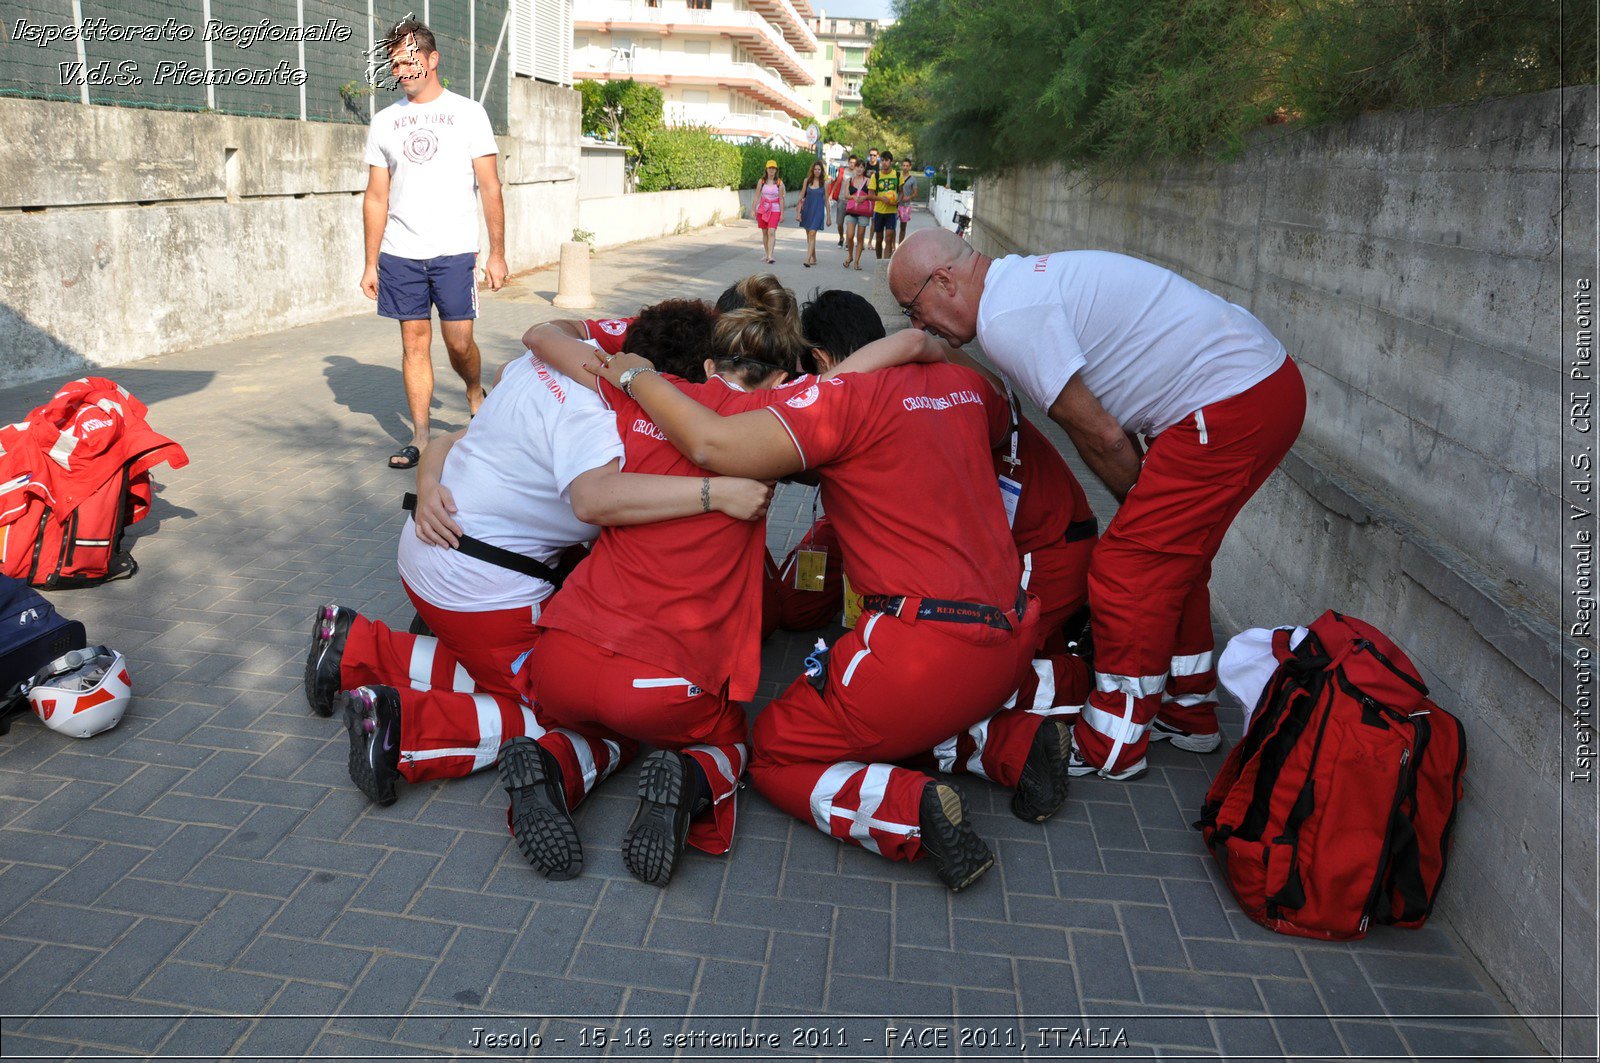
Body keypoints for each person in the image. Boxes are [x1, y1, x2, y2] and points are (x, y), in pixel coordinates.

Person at [588, 332, 1078, 893]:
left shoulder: (843, 400)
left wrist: (633, 376)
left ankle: (908, 813)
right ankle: (1016, 745)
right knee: (895, 723)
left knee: (775, 749)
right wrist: (922, 352)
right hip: (1010, 632)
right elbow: (972, 397)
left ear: (822, 362)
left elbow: (713, 445)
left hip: (921, 646)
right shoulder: (965, 385)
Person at [302, 325, 773, 847]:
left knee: (526, 670)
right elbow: (593, 502)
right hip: (483, 591)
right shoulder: (605, 423)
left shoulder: (545, 369)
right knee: (566, 709)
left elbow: (444, 440)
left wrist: (427, 483)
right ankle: (404, 729)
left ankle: (352, 644)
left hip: (427, 551)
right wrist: (718, 492)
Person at [888, 229, 1307, 781]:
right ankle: (1188, 709)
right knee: (1171, 560)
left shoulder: (1006, 319)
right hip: (1255, 386)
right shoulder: (1015, 286)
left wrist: (1134, 508)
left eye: (913, 310)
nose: (919, 326)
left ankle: (1113, 740)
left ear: (943, 281)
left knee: (1126, 570)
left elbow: (1103, 437)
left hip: (1231, 401)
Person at [510, 275, 817, 886]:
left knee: (598, 728)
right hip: (667, 677)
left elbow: (547, 340)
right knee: (728, 741)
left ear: (708, 362)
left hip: (565, 651)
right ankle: (690, 785)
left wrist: (619, 362)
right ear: (785, 377)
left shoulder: (644, 394)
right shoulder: (781, 418)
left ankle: (551, 764)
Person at [361, 19, 506, 471]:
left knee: (459, 342)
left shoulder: (468, 113)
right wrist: (370, 262)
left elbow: (490, 186)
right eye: (395, 62)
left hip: (455, 249)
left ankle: (474, 390)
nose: (402, 69)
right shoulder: (384, 121)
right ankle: (421, 437)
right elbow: (376, 196)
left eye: (410, 60)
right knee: (414, 342)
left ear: (432, 59)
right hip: (401, 252)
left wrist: (497, 253)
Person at [842, 160, 873, 271]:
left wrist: (864, 198)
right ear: (854, 168)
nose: (859, 169)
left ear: (864, 169)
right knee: (849, 236)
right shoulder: (849, 180)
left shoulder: (868, 181)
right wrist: (853, 197)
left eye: (861, 167)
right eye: (857, 167)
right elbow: (846, 195)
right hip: (851, 210)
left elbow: (872, 196)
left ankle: (856, 262)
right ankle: (850, 256)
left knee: (860, 237)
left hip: (863, 212)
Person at [797, 161, 828, 268]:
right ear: (812, 170)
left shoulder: (825, 183)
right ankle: (814, 257)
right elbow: (801, 195)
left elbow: (827, 201)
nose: (817, 171)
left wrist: (828, 217)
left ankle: (808, 259)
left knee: (812, 234)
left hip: (818, 212)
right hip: (807, 211)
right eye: (815, 169)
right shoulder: (807, 181)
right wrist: (798, 211)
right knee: (809, 235)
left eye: (819, 169)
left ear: (822, 171)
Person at [871, 151, 901, 260]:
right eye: (882, 160)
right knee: (879, 238)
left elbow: (901, 192)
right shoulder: (876, 176)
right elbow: (871, 195)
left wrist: (898, 200)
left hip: (891, 212)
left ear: (891, 162)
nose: (884, 163)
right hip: (879, 211)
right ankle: (879, 261)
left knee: (889, 237)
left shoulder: (897, 175)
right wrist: (881, 199)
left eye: (886, 160)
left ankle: (885, 263)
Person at [754, 161, 785, 264]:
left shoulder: (779, 183)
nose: (771, 170)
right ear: (766, 169)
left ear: (776, 170)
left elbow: (781, 199)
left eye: (773, 168)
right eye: (769, 168)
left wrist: (782, 214)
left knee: (771, 231)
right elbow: (757, 196)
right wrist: (753, 209)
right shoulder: (761, 181)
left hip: (775, 209)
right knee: (764, 232)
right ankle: (767, 254)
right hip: (763, 209)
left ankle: (771, 256)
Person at [828, 156, 854, 247]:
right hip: (841, 199)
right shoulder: (843, 171)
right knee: (840, 223)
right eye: (851, 162)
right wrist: (831, 194)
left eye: (854, 163)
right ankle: (841, 237)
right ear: (848, 162)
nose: (852, 164)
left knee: (850, 222)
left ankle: (847, 241)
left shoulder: (858, 172)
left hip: (852, 201)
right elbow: (837, 182)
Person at [897, 159, 918, 243]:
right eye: (904, 165)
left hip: (905, 205)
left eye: (907, 166)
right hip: (895, 204)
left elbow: (916, 193)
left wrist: (908, 197)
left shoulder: (913, 179)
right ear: (902, 166)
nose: (905, 167)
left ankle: (899, 245)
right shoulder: (897, 176)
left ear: (910, 167)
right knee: (892, 227)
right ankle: (892, 246)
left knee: (903, 227)